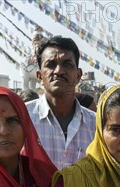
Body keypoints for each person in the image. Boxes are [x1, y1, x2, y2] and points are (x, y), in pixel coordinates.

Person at [26, 35, 95, 169]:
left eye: (67, 64)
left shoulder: (96, 125)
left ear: (78, 75)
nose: (59, 71)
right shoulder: (23, 118)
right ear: (40, 76)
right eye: (51, 65)